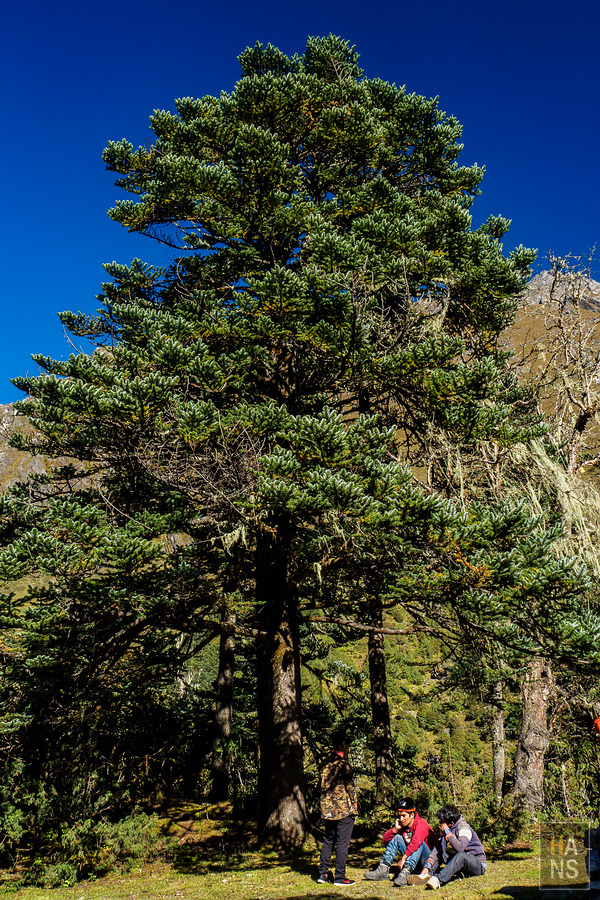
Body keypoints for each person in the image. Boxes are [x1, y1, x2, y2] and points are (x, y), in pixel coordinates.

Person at [408, 803, 486, 889]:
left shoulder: (463, 828)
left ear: (451, 823)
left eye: (443, 822)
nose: (441, 824)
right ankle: (427, 875)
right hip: (463, 866)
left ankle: (438, 880)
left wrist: (447, 832)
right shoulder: (448, 829)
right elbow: (438, 850)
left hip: (478, 865)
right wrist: (427, 866)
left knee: (461, 856)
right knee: (442, 853)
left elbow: (460, 848)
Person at [317, 729, 358, 886]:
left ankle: (323, 873)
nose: (349, 748)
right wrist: (354, 803)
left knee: (329, 840)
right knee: (342, 843)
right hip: (343, 809)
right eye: (347, 744)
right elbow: (350, 786)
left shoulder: (324, 764)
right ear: (341, 745)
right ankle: (340, 876)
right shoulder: (343, 764)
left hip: (327, 809)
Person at [364, 797, 436, 886]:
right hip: (413, 860)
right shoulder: (402, 826)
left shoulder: (421, 823)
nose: (401, 819)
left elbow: (416, 843)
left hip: (428, 863)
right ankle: (383, 869)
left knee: (418, 843)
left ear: (412, 815)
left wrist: (403, 859)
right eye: (399, 816)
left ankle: (405, 873)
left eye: (404, 816)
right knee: (397, 837)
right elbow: (384, 840)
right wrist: (395, 829)